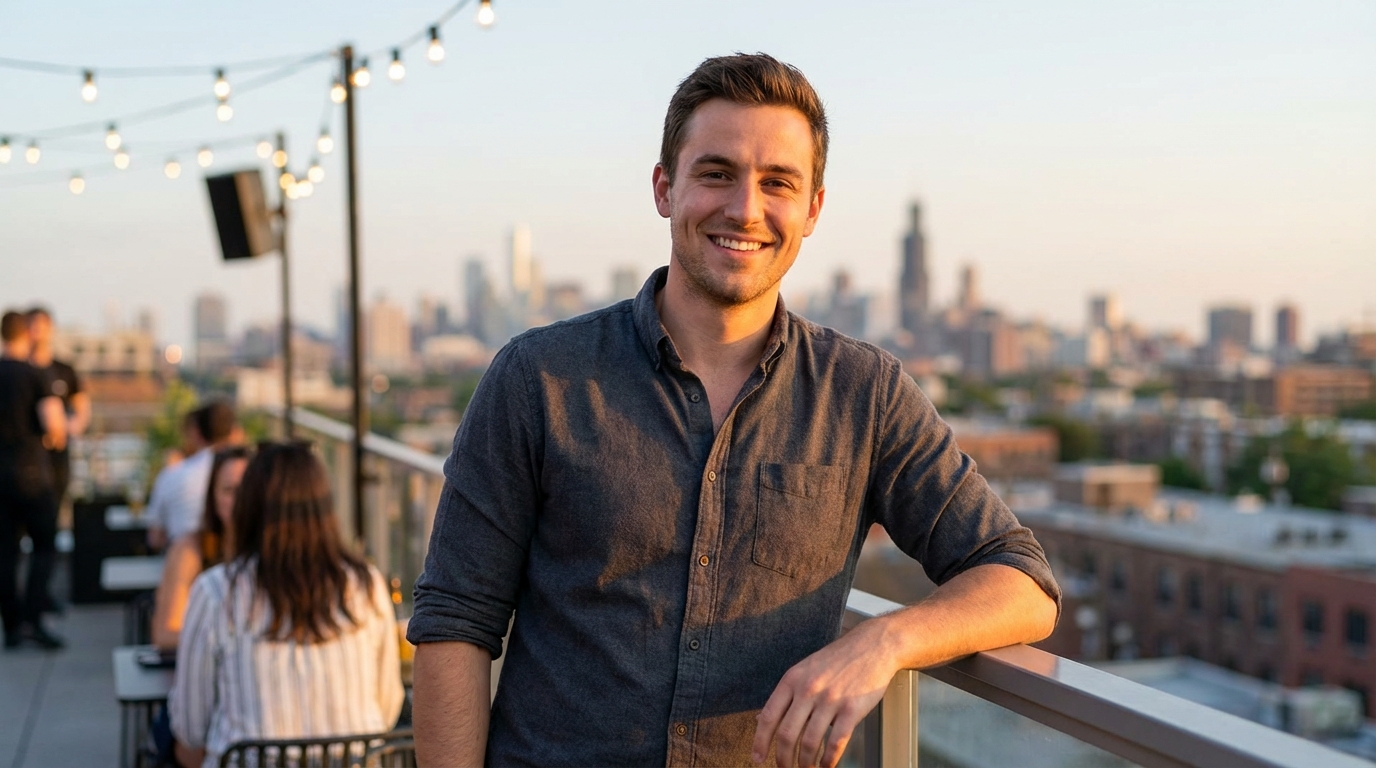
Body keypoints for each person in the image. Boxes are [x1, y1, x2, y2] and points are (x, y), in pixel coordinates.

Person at [408, 54, 1060, 768]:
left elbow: (1022, 581)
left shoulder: (863, 394)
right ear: (665, 189)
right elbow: (455, 624)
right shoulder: (537, 379)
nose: (745, 209)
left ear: (812, 209)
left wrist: (883, 641)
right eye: (716, 173)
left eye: (777, 183)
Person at [168, 442, 404, 768]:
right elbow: (388, 706)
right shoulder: (368, 586)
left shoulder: (216, 592)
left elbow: (190, 729)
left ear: (248, 508)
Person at [0, 311, 67, 650]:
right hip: (30, 474)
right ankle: (33, 619)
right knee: (44, 547)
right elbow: (55, 425)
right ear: (26, 334)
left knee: (5, 552)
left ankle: (11, 625)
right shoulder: (34, 374)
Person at [150, 446, 251, 650]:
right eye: (228, 490)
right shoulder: (190, 549)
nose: (238, 500)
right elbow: (164, 634)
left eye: (246, 491)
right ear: (212, 496)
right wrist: (237, 643)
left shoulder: (269, 551)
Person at [144, 401, 237, 551]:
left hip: (181, 565)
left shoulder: (172, 475)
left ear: (196, 433)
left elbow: (155, 539)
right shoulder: (249, 475)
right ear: (235, 432)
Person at [26, 307, 91, 510]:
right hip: (26, 455)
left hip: (56, 456)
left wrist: (68, 428)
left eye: (41, 327)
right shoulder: (20, 371)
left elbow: (81, 407)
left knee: (53, 509)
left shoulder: (63, 369)